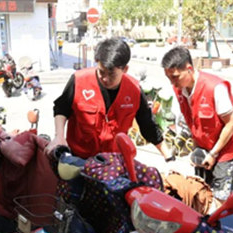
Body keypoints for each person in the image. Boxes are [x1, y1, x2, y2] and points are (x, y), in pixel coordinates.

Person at [45, 37, 173, 161]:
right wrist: (59, 137)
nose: (105, 79)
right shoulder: (79, 80)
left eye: (111, 74)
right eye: (101, 72)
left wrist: (168, 157)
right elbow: (61, 108)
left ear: (125, 69)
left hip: (114, 162)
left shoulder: (134, 90)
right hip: (79, 159)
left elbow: (147, 126)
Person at [161, 46, 233, 204]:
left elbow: (232, 125)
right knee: (201, 194)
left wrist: (213, 154)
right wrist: (196, 150)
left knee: (221, 199)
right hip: (204, 146)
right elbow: (192, 121)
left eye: (175, 77)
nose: (172, 82)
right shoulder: (180, 88)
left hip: (226, 147)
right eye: (169, 78)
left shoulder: (215, 87)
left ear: (189, 69)